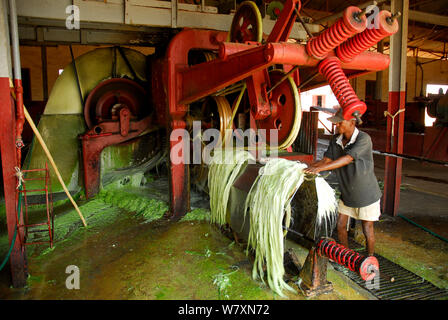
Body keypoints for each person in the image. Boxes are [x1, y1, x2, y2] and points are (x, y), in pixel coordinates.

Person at [303, 108, 382, 256]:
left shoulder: (363, 139)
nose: (337, 125)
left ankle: (370, 260)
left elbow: (347, 159)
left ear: (352, 122)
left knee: (367, 229)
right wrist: (308, 169)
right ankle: (347, 257)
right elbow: (326, 160)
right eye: (336, 123)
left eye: (340, 123)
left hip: (366, 194)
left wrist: (320, 169)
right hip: (347, 192)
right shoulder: (336, 140)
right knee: (340, 225)